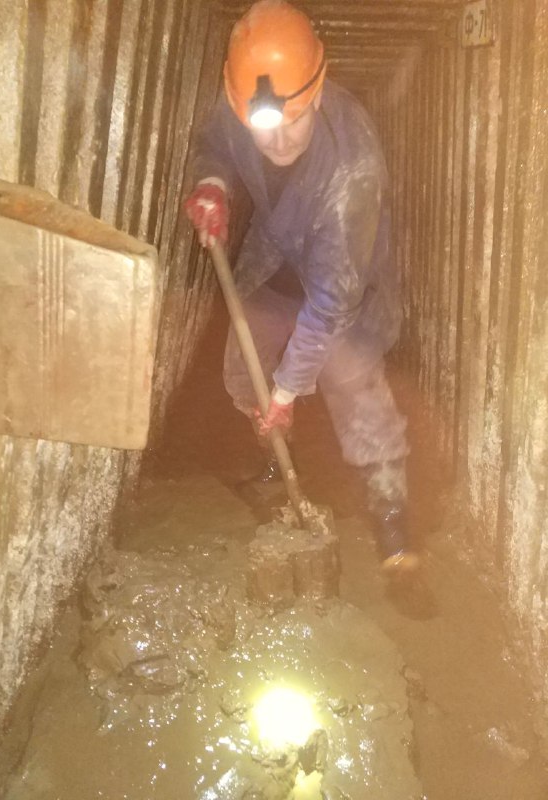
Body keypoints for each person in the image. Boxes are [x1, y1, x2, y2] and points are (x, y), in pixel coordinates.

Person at [184, 0, 419, 574]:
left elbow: (330, 304)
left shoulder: (353, 172)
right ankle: (276, 457)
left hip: (345, 284)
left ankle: (391, 515)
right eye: (265, 128)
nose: (280, 142)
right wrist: (212, 185)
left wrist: (288, 392)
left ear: (317, 91)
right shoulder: (243, 107)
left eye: (294, 121)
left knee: (352, 381)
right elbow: (214, 143)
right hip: (276, 260)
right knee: (245, 370)